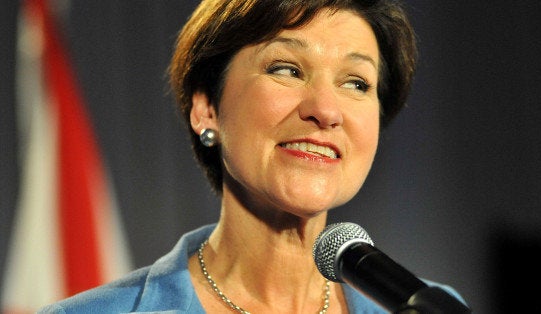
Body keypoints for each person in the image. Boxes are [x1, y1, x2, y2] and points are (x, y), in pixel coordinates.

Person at [40, 0, 466, 313]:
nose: (326, 109)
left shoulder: (429, 308)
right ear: (207, 108)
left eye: (356, 83)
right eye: (286, 69)